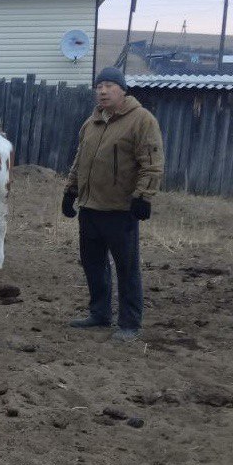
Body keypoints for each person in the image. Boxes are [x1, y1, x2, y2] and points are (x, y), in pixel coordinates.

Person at [62, 67, 164, 341]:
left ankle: (130, 322)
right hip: (90, 208)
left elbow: (151, 164)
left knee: (126, 267)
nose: (102, 91)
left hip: (121, 210)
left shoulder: (142, 120)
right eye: (98, 86)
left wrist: (143, 197)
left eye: (109, 85)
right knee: (93, 263)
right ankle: (100, 314)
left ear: (123, 90)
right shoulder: (91, 123)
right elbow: (80, 160)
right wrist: (70, 190)